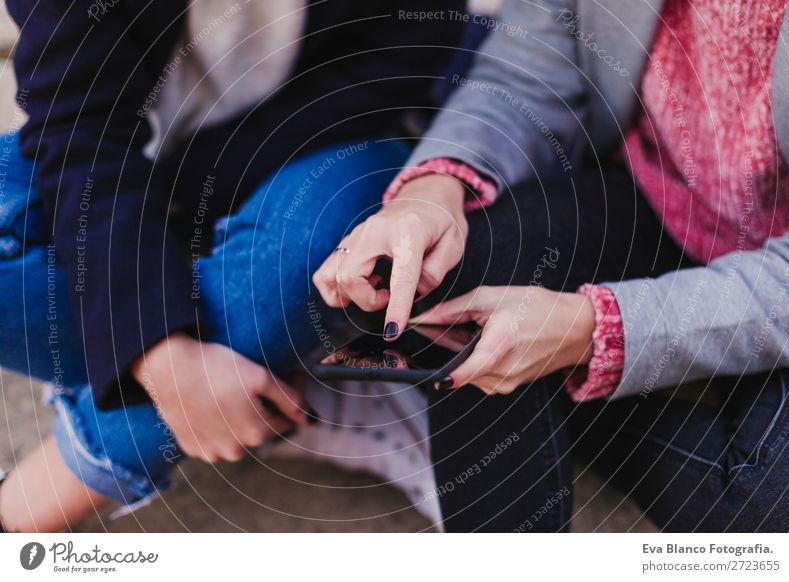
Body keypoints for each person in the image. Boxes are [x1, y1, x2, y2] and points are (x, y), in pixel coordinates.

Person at [314, 0, 789, 531]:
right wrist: (432, 190)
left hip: (784, 268)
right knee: (452, 266)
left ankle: (552, 394)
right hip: (656, 196)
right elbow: (528, 67)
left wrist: (600, 334)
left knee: (768, 503)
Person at [0, 0, 465, 532]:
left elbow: (398, 64)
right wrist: (162, 357)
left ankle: (21, 508)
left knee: (303, 262)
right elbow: (78, 135)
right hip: (130, 161)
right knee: (245, 295)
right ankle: (287, 366)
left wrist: (143, 308)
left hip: (333, 146)